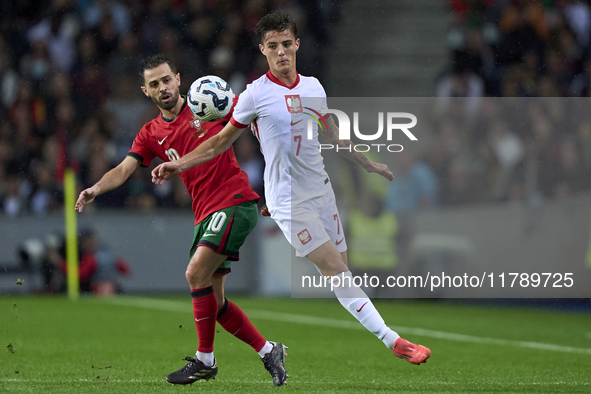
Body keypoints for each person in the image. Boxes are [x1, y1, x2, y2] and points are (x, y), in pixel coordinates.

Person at [152, 11, 431, 369]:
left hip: (321, 192)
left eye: (286, 44)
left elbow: (333, 135)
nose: (281, 52)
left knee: (342, 276)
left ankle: (370, 338)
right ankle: (395, 341)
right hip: (288, 201)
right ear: (262, 50)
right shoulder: (254, 95)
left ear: (297, 44)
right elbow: (220, 142)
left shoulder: (313, 87)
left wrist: (369, 164)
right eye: (273, 46)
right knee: (336, 271)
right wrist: (179, 163)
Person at [75, 54, 288, 386]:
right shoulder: (150, 133)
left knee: (194, 273)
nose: (163, 87)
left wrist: (275, 188)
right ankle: (268, 351)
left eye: (166, 80)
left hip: (233, 201)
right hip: (204, 213)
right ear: (146, 91)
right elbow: (125, 168)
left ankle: (205, 359)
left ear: (178, 79)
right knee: (214, 304)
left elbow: (257, 129)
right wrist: (96, 188)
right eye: (154, 84)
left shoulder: (209, 104)